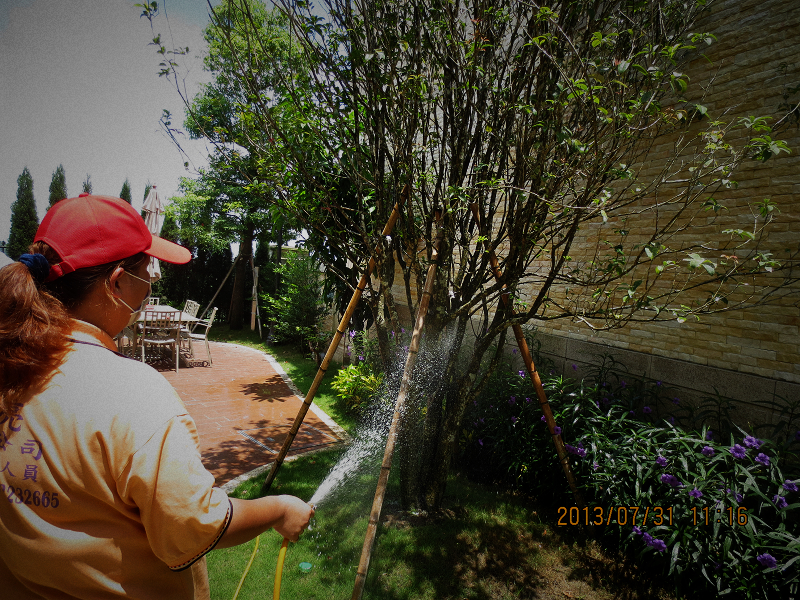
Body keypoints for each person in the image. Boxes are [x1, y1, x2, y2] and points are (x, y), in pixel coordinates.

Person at [0, 194, 314, 599]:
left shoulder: (13, 371)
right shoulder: (131, 394)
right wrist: (280, 508)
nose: (154, 280)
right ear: (116, 284)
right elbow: (192, 525)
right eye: (147, 269)